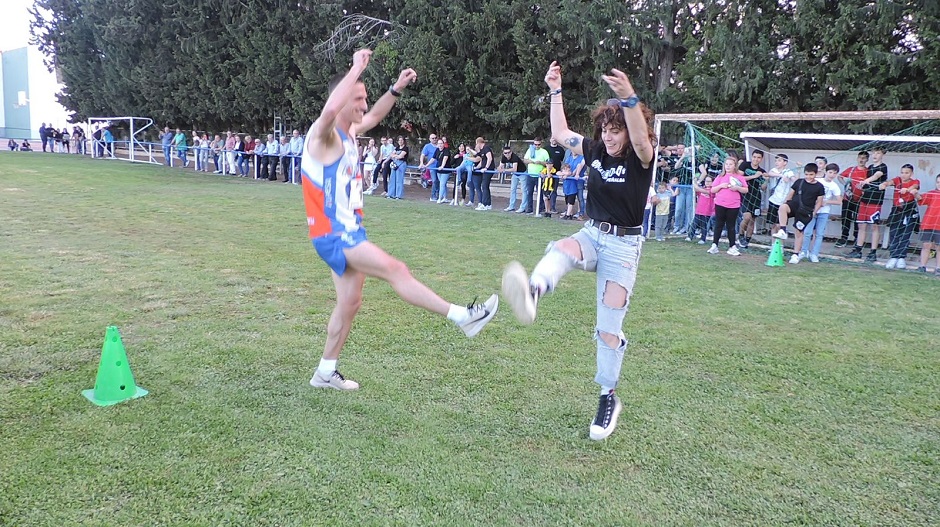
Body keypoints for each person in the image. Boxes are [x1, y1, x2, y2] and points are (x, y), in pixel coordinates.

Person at [302, 49, 498, 390]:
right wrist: (355, 68)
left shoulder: (349, 132)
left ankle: (325, 372)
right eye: (357, 98)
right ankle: (463, 317)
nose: (363, 105)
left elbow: (375, 116)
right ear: (342, 98)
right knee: (397, 269)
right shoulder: (324, 136)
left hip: (348, 230)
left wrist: (395, 88)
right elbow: (329, 110)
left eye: (363, 98)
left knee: (349, 304)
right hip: (334, 234)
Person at [502, 60, 655, 441]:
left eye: (615, 130)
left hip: (623, 247)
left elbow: (639, 140)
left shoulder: (641, 159)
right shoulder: (594, 151)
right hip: (592, 235)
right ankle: (534, 290)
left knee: (608, 328)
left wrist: (629, 100)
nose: (609, 137)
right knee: (564, 247)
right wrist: (555, 89)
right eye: (605, 129)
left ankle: (608, 397)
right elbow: (559, 132)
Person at [772, 163, 827, 264]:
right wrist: (786, 202)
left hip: (806, 210)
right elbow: (790, 194)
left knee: (799, 232)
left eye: (811, 175)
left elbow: (819, 201)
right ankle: (783, 231)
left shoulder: (819, 187)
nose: (808, 177)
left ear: (815, 174)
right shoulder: (799, 182)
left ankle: (795, 254)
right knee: (782, 208)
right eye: (806, 174)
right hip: (794, 205)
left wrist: (814, 212)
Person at [848, 148, 888, 262]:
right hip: (865, 199)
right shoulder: (870, 167)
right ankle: (858, 250)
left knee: (874, 226)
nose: (875, 155)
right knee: (861, 225)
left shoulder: (883, 167)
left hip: (875, 201)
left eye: (878, 153)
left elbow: (876, 176)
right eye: (874, 153)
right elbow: (867, 181)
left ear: (882, 155)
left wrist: (867, 181)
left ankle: (873, 252)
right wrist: (862, 185)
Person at [798, 163, 842, 263]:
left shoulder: (834, 186)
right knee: (808, 232)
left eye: (834, 173)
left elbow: (839, 201)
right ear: (825, 172)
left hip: (824, 212)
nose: (831, 175)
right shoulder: (818, 181)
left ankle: (814, 254)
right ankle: (804, 251)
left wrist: (827, 202)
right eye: (830, 172)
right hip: (812, 210)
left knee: (819, 234)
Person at [879, 163, 920, 269]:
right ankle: (893, 256)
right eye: (902, 172)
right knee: (894, 233)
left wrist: (908, 189)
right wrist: (884, 184)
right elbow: (890, 182)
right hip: (897, 209)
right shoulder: (897, 180)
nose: (904, 175)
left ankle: (901, 257)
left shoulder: (915, 181)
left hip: (909, 210)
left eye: (907, 173)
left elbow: (915, 186)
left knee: (905, 234)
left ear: (911, 173)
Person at [707, 157, 747, 256]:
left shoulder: (739, 177)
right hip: (720, 204)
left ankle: (732, 246)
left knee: (731, 226)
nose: (728, 166)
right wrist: (721, 186)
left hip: (733, 205)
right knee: (718, 224)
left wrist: (737, 188)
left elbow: (745, 189)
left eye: (730, 164)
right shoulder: (720, 177)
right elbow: (712, 190)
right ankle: (714, 245)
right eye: (727, 164)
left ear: (735, 166)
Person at [836, 151, 869, 247]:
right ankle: (844, 238)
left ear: (867, 159)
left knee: (858, 220)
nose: (861, 160)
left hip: (860, 200)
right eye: (860, 157)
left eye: (864, 158)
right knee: (846, 218)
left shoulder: (868, 171)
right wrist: (845, 185)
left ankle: (856, 238)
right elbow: (840, 176)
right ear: (857, 158)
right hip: (848, 198)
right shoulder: (851, 170)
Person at [737, 150, 766, 249]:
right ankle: (740, 235)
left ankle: (747, 240)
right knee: (746, 217)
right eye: (754, 157)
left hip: (756, 196)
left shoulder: (762, 171)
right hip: (745, 194)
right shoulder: (745, 165)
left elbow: (763, 187)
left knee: (752, 220)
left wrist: (766, 180)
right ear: (751, 157)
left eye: (758, 157)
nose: (756, 159)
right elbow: (738, 178)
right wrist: (754, 176)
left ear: (761, 159)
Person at [913, 174, 940, 274]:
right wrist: (915, 193)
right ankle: (922, 266)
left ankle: (938, 268)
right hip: (928, 224)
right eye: (937, 182)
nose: (939, 184)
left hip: (939, 226)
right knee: (926, 246)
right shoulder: (932, 193)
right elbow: (921, 199)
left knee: (939, 248)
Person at [522, 138, 550, 213]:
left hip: (539, 176)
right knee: (529, 192)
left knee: (540, 193)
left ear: (541, 144)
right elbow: (525, 160)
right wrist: (530, 161)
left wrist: (540, 162)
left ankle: (540, 209)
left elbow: (548, 163)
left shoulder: (544, 152)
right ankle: (529, 208)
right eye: (535, 144)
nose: (537, 146)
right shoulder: (530, 150)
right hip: (530, 175)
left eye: (539, 144)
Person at [687, 174, 715, 244]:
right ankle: (690, 236)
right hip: (699, 210)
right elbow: (696, 191)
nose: (707, 183)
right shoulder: (703, 188)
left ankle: (703, 239)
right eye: (706, 181)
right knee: (694, 224)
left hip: (707, 211)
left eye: (709, 181)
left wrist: (695, 183)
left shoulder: (712, 190)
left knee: (704, 225)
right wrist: (695, 182)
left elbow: (699, 189)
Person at [500, 145, 525, 212]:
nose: (507, 154)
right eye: (505, 153)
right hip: (515, 175)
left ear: (511, 152)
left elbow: (514, 169)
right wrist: (499, 169)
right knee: (512, 190)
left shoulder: (514, 157)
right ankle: (511, 206)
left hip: (522, 173)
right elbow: (500, 167)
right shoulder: (503, 157)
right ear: (503, 153)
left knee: (524, 190)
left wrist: (504, 170)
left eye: (509, 152)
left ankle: (523, 207)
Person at [433, 138, 451, 203]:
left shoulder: (446, 150)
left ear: (443, 144)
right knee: (443, 184)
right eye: (439, 143)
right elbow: (433, 158)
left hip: (446, 170)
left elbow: (445, 158)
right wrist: (425, 165)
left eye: (441, 143)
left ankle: (439, 199)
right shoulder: (437, 150)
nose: (440, 145)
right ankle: (445, 197)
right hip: (439, 170)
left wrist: (442, 166)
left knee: (442, 184)